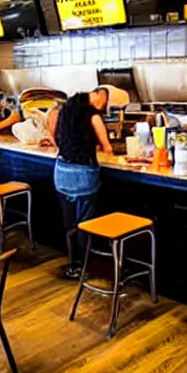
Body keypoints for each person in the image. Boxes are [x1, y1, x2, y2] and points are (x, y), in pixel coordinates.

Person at [48, 88, 113, 279]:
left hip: (61, 173)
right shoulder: (93, 117)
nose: (105, 108)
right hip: (83, 176)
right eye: (105, 103)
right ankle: (86, 266)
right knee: (85, 223)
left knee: (70, 224)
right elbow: (107, 148)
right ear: (100, 96)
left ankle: (73, 264)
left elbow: (54, 137)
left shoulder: (64, 110)